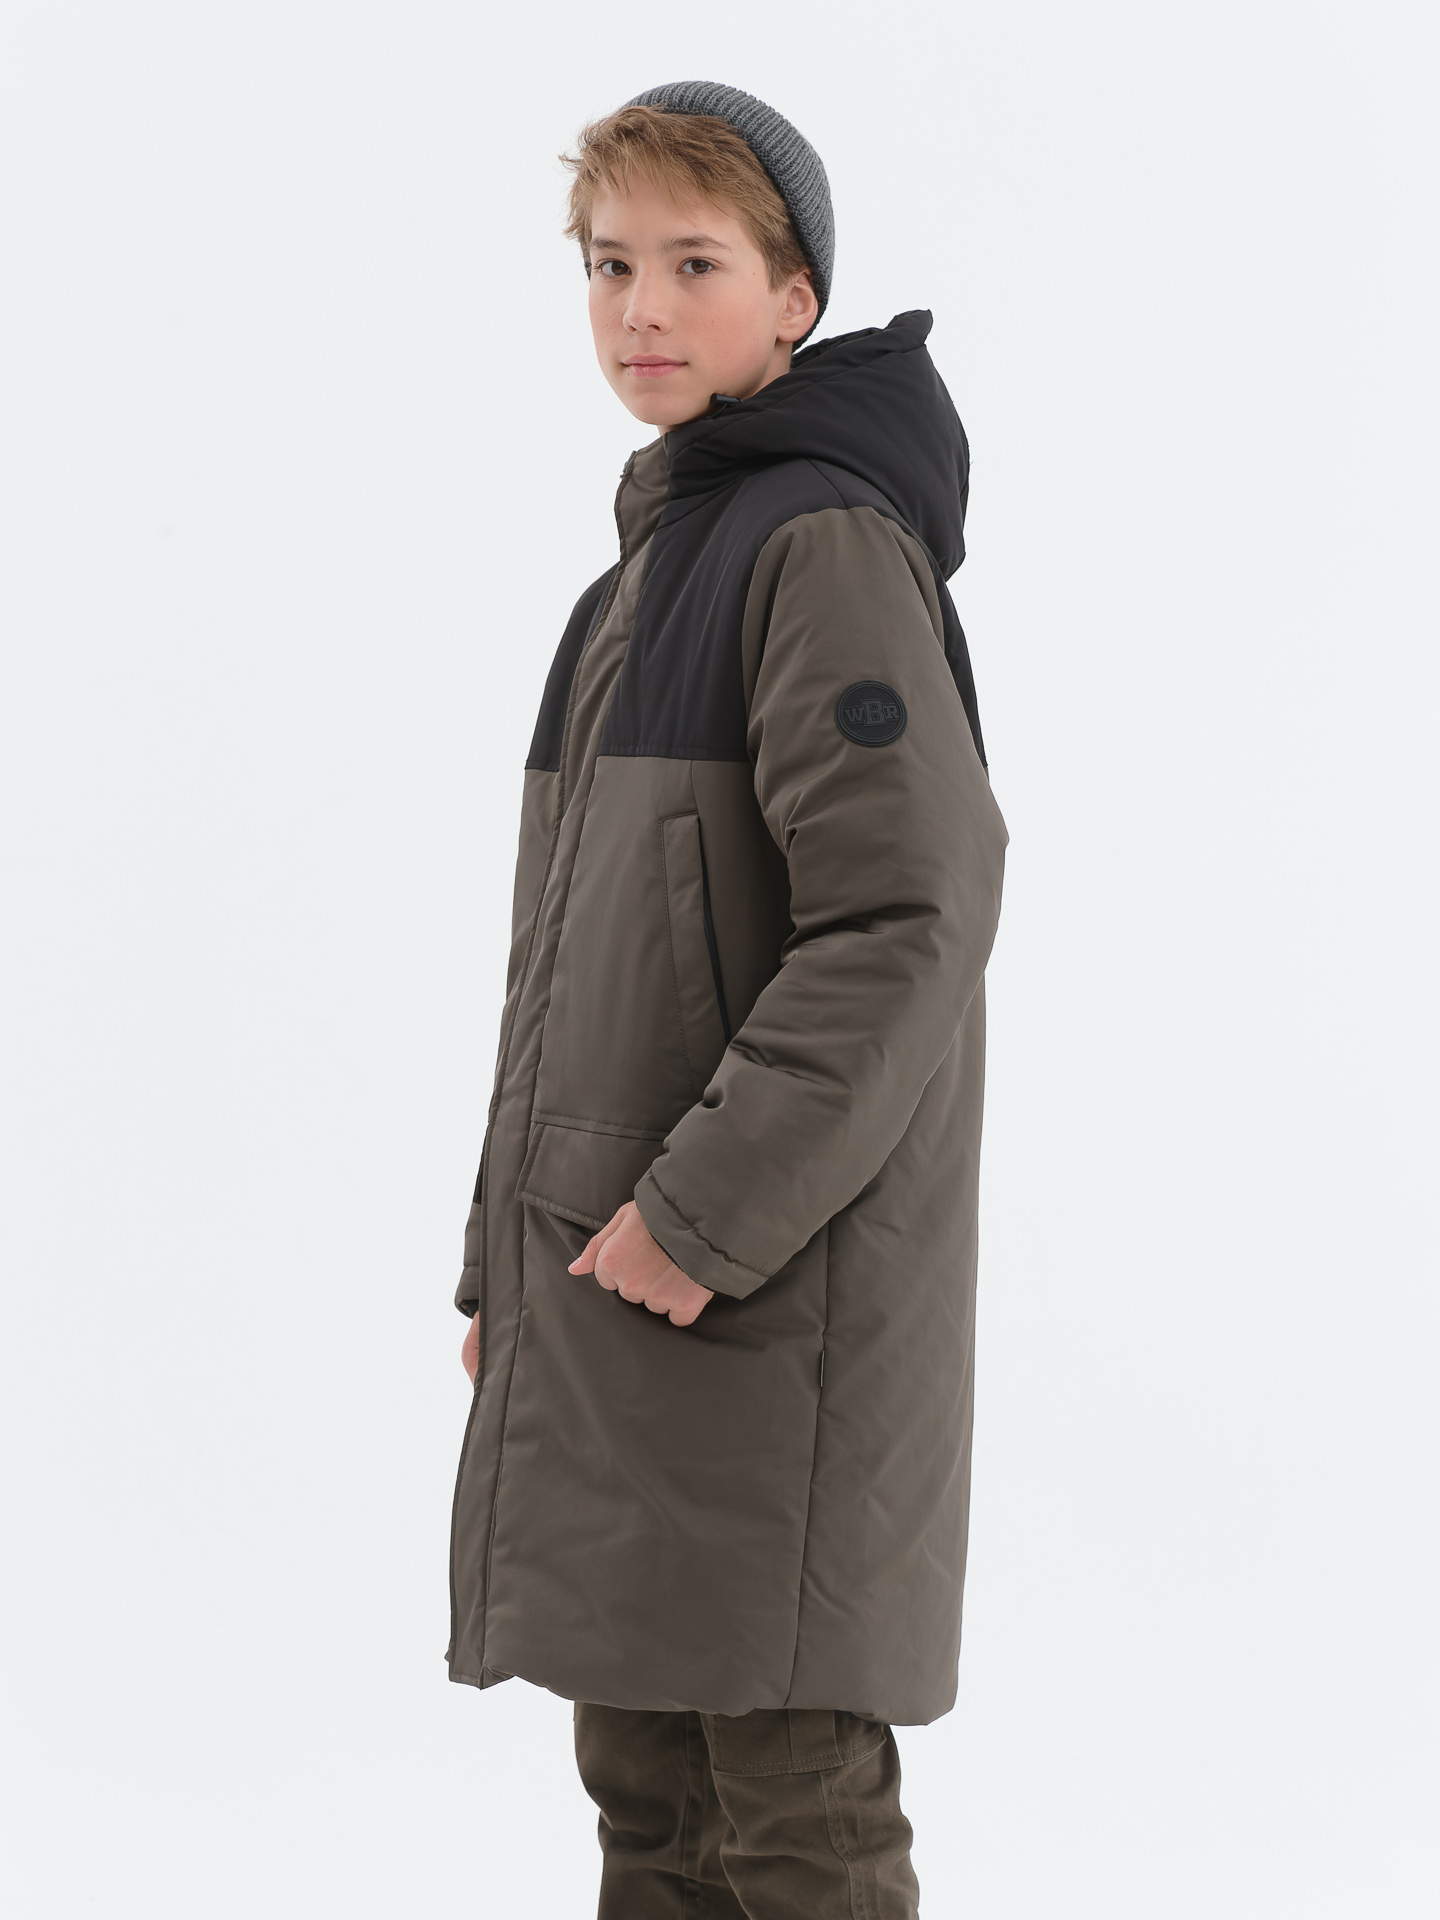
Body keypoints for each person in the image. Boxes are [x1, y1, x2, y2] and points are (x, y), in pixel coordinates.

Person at [449, 81, 1008, 1919]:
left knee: (791, 1805)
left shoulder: (817, 544)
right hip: (617, 1281)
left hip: (763, 1298)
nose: (641, 309)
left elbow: (908, 917)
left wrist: (698, 1216)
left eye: (694, 264)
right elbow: (568, 977)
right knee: (653, 1796)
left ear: (795, 296)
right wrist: (502, 1272)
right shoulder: (645, 576)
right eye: (609, 265)